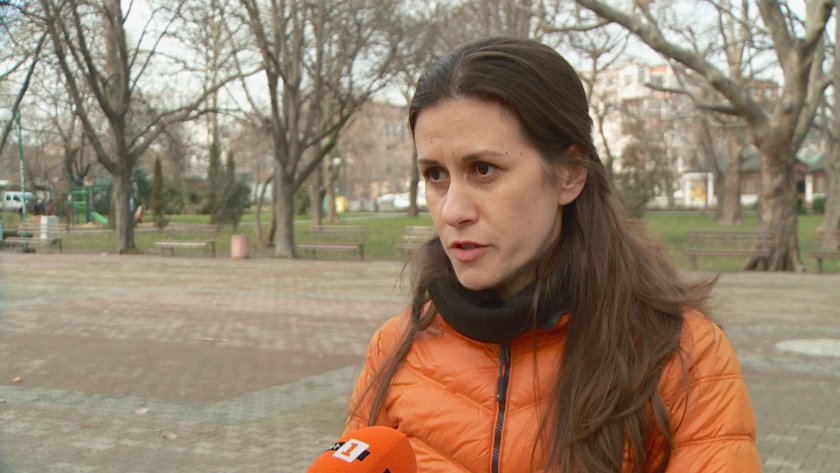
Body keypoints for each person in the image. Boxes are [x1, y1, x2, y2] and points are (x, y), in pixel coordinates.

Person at [344, 37, 760, 472]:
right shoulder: (396, 347)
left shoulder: (681, 355)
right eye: (435, 175)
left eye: (483, 169)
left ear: (569, 174)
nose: (452, 211)